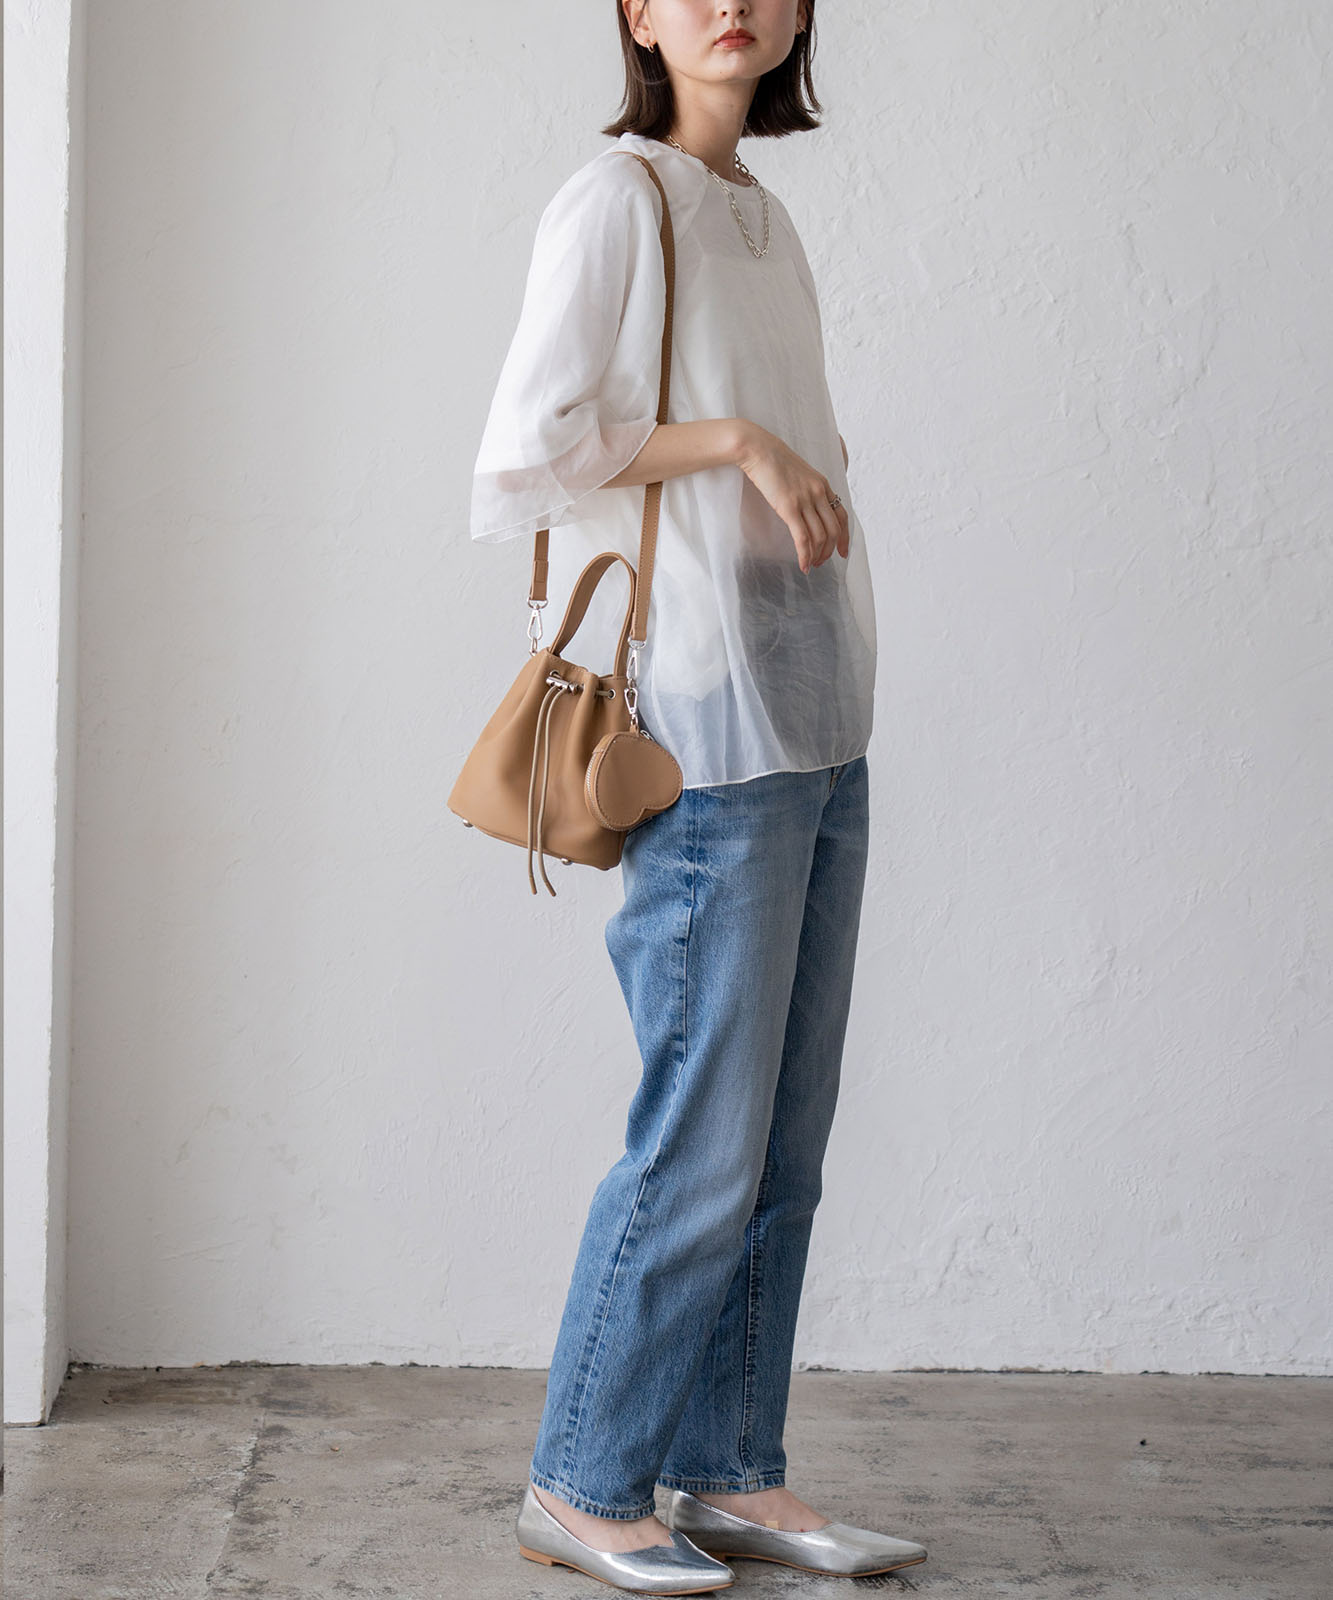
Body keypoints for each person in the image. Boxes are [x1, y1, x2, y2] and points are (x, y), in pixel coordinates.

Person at [469, 2, 928, 1591]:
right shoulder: (617, 198)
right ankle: (581, 1481)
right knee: (700, 1143)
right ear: (636, 17)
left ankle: (732, 1469)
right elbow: (525, 455)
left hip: (816, 712)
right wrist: (739, 441)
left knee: (783, 1149)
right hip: (701, 728)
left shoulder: (759, 212)